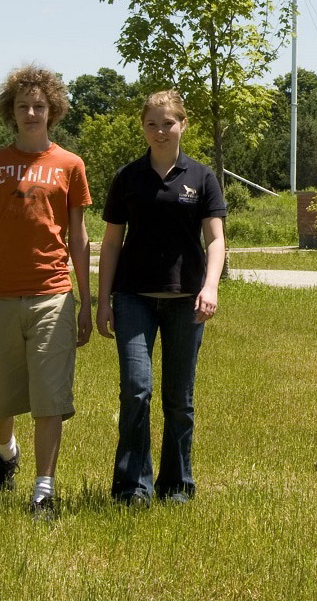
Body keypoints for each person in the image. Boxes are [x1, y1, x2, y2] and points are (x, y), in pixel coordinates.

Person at [0, 65, 92, 520]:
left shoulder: (70, 165)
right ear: (11, 113)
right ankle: (6, 451)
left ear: (52, 111)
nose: (32, 113)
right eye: (23, 106)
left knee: (49, 396)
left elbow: (78, 238)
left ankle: (43, 490)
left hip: (53, 295)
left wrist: (86, 301)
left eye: (39, 106)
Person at [96, 90, 226, 507]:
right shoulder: (127, 178)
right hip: (133, 297)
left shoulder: (202, 177)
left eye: (167, 122)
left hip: (187, 300)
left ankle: (177, 485)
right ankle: (132, 487)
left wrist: (210, 286)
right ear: (143, 127)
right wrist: (102, 300)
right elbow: (111, 243)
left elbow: (216, 240)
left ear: (183, 124)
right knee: (136, 389)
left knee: (178, 397)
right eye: (151, 123)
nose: (159, 131)